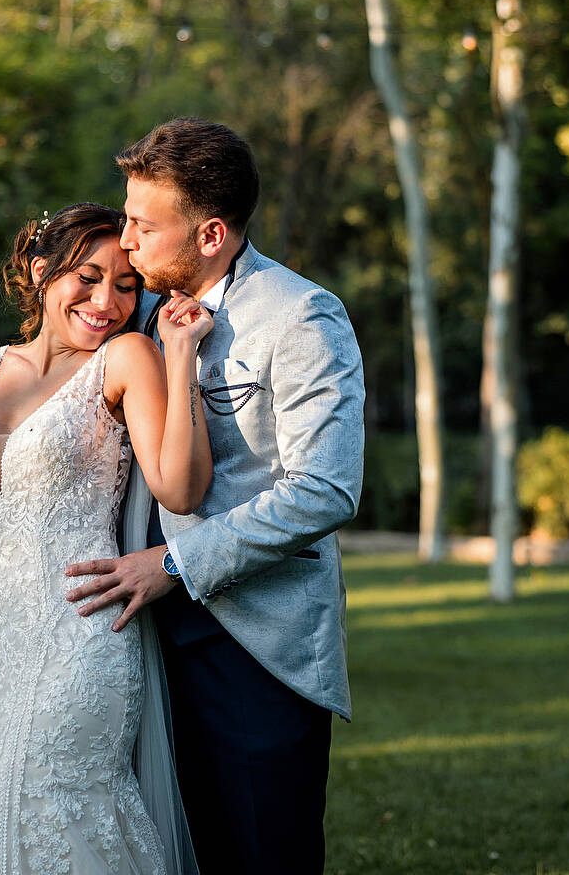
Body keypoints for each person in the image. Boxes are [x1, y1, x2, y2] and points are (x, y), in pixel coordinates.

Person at [0, 202, 209, 875]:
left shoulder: (126, 358)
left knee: (53, 810)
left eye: (125, 284)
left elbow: (180, 489)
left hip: (78, 642)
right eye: (87, 277)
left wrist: (184, 358)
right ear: (40, 270)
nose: (106, 301)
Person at [62, 118, 366, 874]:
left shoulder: (301, 315)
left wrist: (174, 563)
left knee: (260, 855)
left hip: (256, 647)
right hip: (135, 643)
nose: (124, 242)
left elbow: (325, 490)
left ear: (210, 234)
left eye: (142, 225)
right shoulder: (127, 309)